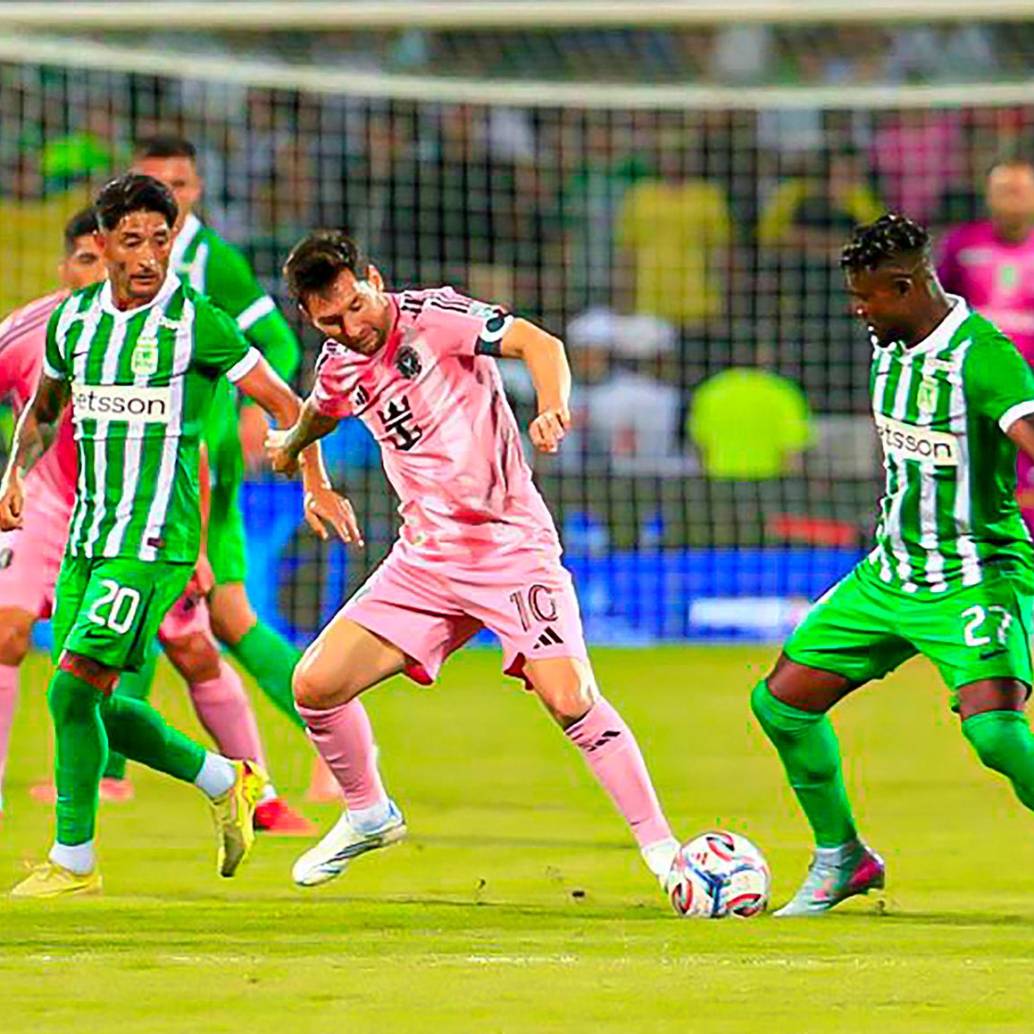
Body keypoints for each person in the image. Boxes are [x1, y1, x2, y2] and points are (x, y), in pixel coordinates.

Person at [265, 231, 681, 897]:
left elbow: (540, 345)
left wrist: (552, 407)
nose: (351, 326)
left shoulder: (437, 317)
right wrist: (300, 460)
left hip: (509, 549)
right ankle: (369, 813)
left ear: (371, 278)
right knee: (314, 685)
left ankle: (665, 853)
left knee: (569, 698)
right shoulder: (339, 361)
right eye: (330, 320)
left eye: (355, 305)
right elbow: (319, 411)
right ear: (312, 319)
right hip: (425, 561)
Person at [0, 174, 338, 898]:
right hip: (87, 537)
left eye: (163, 238)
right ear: (102, 246)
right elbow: (44, 410)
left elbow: (288, 402)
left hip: (157, 541)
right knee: (83, 701)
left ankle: (74, 862)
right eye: (133, 241)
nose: (151, 254)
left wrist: (311, 476)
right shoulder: (74, 323)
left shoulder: (198, 321)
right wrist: (14, 474)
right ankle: (227, 779)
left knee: (70, 693)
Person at [752, 213, 1034, 916]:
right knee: (781, 705)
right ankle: (843, 857)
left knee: (996, 735)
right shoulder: (891, 347)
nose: (858, 309)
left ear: (905, 286)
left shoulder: (983, 356)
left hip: (974, 574)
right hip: (887, 576)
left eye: (867, 296)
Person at [130, 138, 315, 781]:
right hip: (145, 459)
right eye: (154, 184)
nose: (167, 197)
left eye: (178, 185)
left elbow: (279, 345)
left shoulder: (213, 263)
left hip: (195, 465)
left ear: (197, 190)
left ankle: (107, 774)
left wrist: (252, 407)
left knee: (133, 597)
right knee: (227, 616)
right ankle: (341, 738)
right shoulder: (128, 256)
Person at [938, 153, 1034, 537]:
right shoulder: (963, 243)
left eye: (1019, 190)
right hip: (972, 389)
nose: (1010, 199)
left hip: (1029, 390)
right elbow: (939, 310)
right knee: (977, 480)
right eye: (1002, 190)